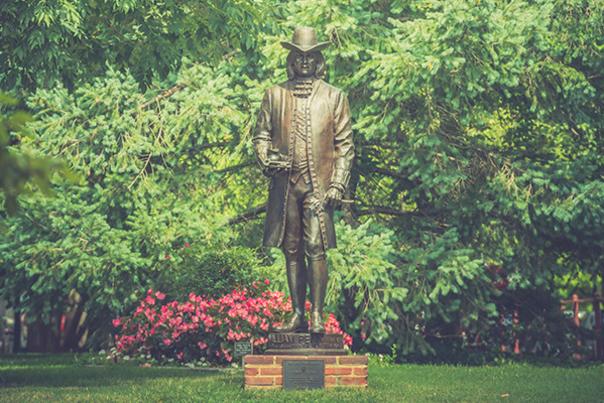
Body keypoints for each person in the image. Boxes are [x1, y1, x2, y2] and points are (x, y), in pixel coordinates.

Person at [252, 27, 354, 334]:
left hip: (318, 186)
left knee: (315, 245)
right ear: (291, 60)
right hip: (286, 185)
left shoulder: (334, 97)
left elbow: (345, 145)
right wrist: (265, 157)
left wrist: (338, 183)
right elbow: (260, 135)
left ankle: (317, 315)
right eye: (300, 56)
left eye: (310, 57)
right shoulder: (275, 94)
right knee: (292, 247)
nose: (305, 63)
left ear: (319, 60)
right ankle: (297, 312)